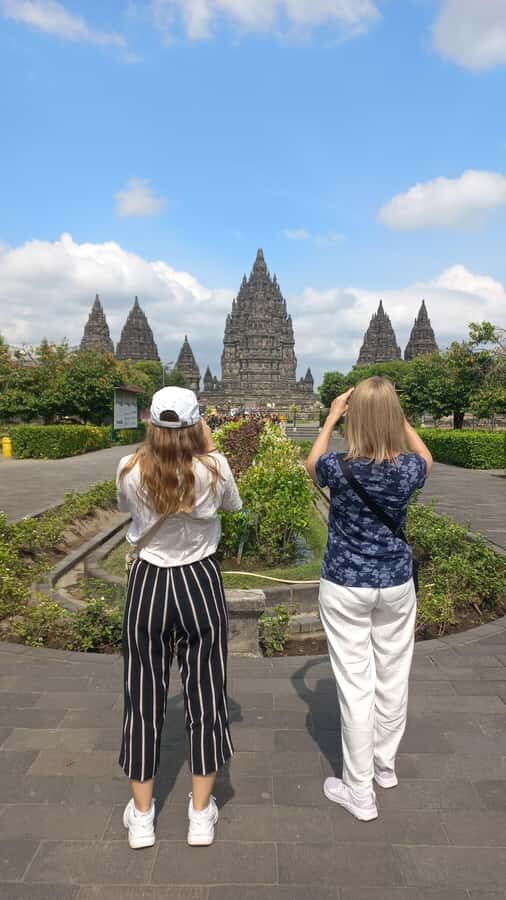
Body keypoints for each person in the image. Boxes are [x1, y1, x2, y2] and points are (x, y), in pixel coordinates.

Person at [116, 386, 242, 849]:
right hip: (199, 583)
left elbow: (126, 511)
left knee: (143, 695)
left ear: (151, 423)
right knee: (207, 693)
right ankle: (200, 812)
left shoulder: (129, 468)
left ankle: (144, 816)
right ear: (195, 424)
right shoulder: (215, 469)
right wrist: (207, 446)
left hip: (149, 584)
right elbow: (233, 506)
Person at [306, 377, 432, 822]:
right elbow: (427, 458)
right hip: (396, 583)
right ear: (393, 417)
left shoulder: (340, 467)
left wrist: (332, 416)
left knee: (356, 686)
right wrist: (398, 417)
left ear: (354, 418)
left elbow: (311, 461)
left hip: (345, 584)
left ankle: (358, 790)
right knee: (393, 675)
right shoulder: (408, 470)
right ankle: (385, 765)